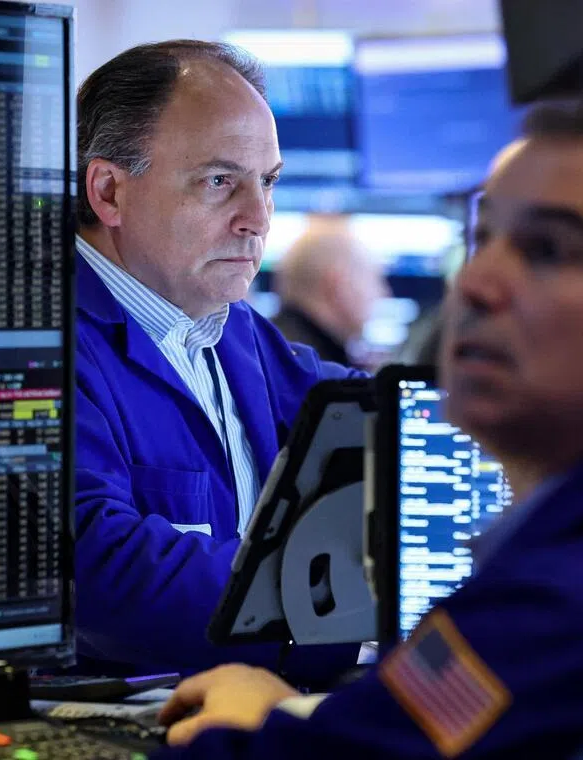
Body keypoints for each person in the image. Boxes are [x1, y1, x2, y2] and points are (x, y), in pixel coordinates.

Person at [148, 99, 583, 758]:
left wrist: (255, 735)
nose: (477, 283)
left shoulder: (566, 609)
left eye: (549, 250)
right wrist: (302, 719)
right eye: (485, 238)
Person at [74, 40, 361, 684]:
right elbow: (102, 569)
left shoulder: (234, 331)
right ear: (109, 191)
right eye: (219, 181)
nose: (258, 219)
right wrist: (339, 605)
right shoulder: (42, 349)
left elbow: (379, 418)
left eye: (268, 182)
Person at [271, 216, 390, 365]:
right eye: (375, 279)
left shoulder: (269, 344)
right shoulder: (314, 368)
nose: (384, 293)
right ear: (340, 285)